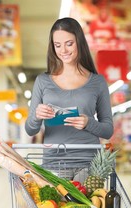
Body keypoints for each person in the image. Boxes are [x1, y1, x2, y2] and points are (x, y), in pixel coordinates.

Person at [24, 17, 113, 180]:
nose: (63, 50)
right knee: (55, 205)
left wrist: (88, 123)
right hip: (54, 162)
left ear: (79, 42)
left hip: (89, 163)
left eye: (69, 43)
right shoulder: (42, 81)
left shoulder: (97, 82)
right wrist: (37, 116)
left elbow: (108, 129)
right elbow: (30, 129)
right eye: (57, 45)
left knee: (87, 206)